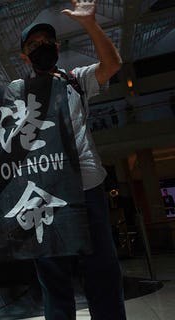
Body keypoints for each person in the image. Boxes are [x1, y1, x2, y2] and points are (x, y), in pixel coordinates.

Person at [11, 1, 126, 318]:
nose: (41, 47)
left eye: (46, 41)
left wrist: (90, 23)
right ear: (25, 56)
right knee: (54, 279)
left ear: (57, 46)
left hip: (88, 188)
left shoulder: (77, 80)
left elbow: (112, 64)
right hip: (44, 196)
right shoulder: (17, 91)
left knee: (103, 272)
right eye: (33, 45)